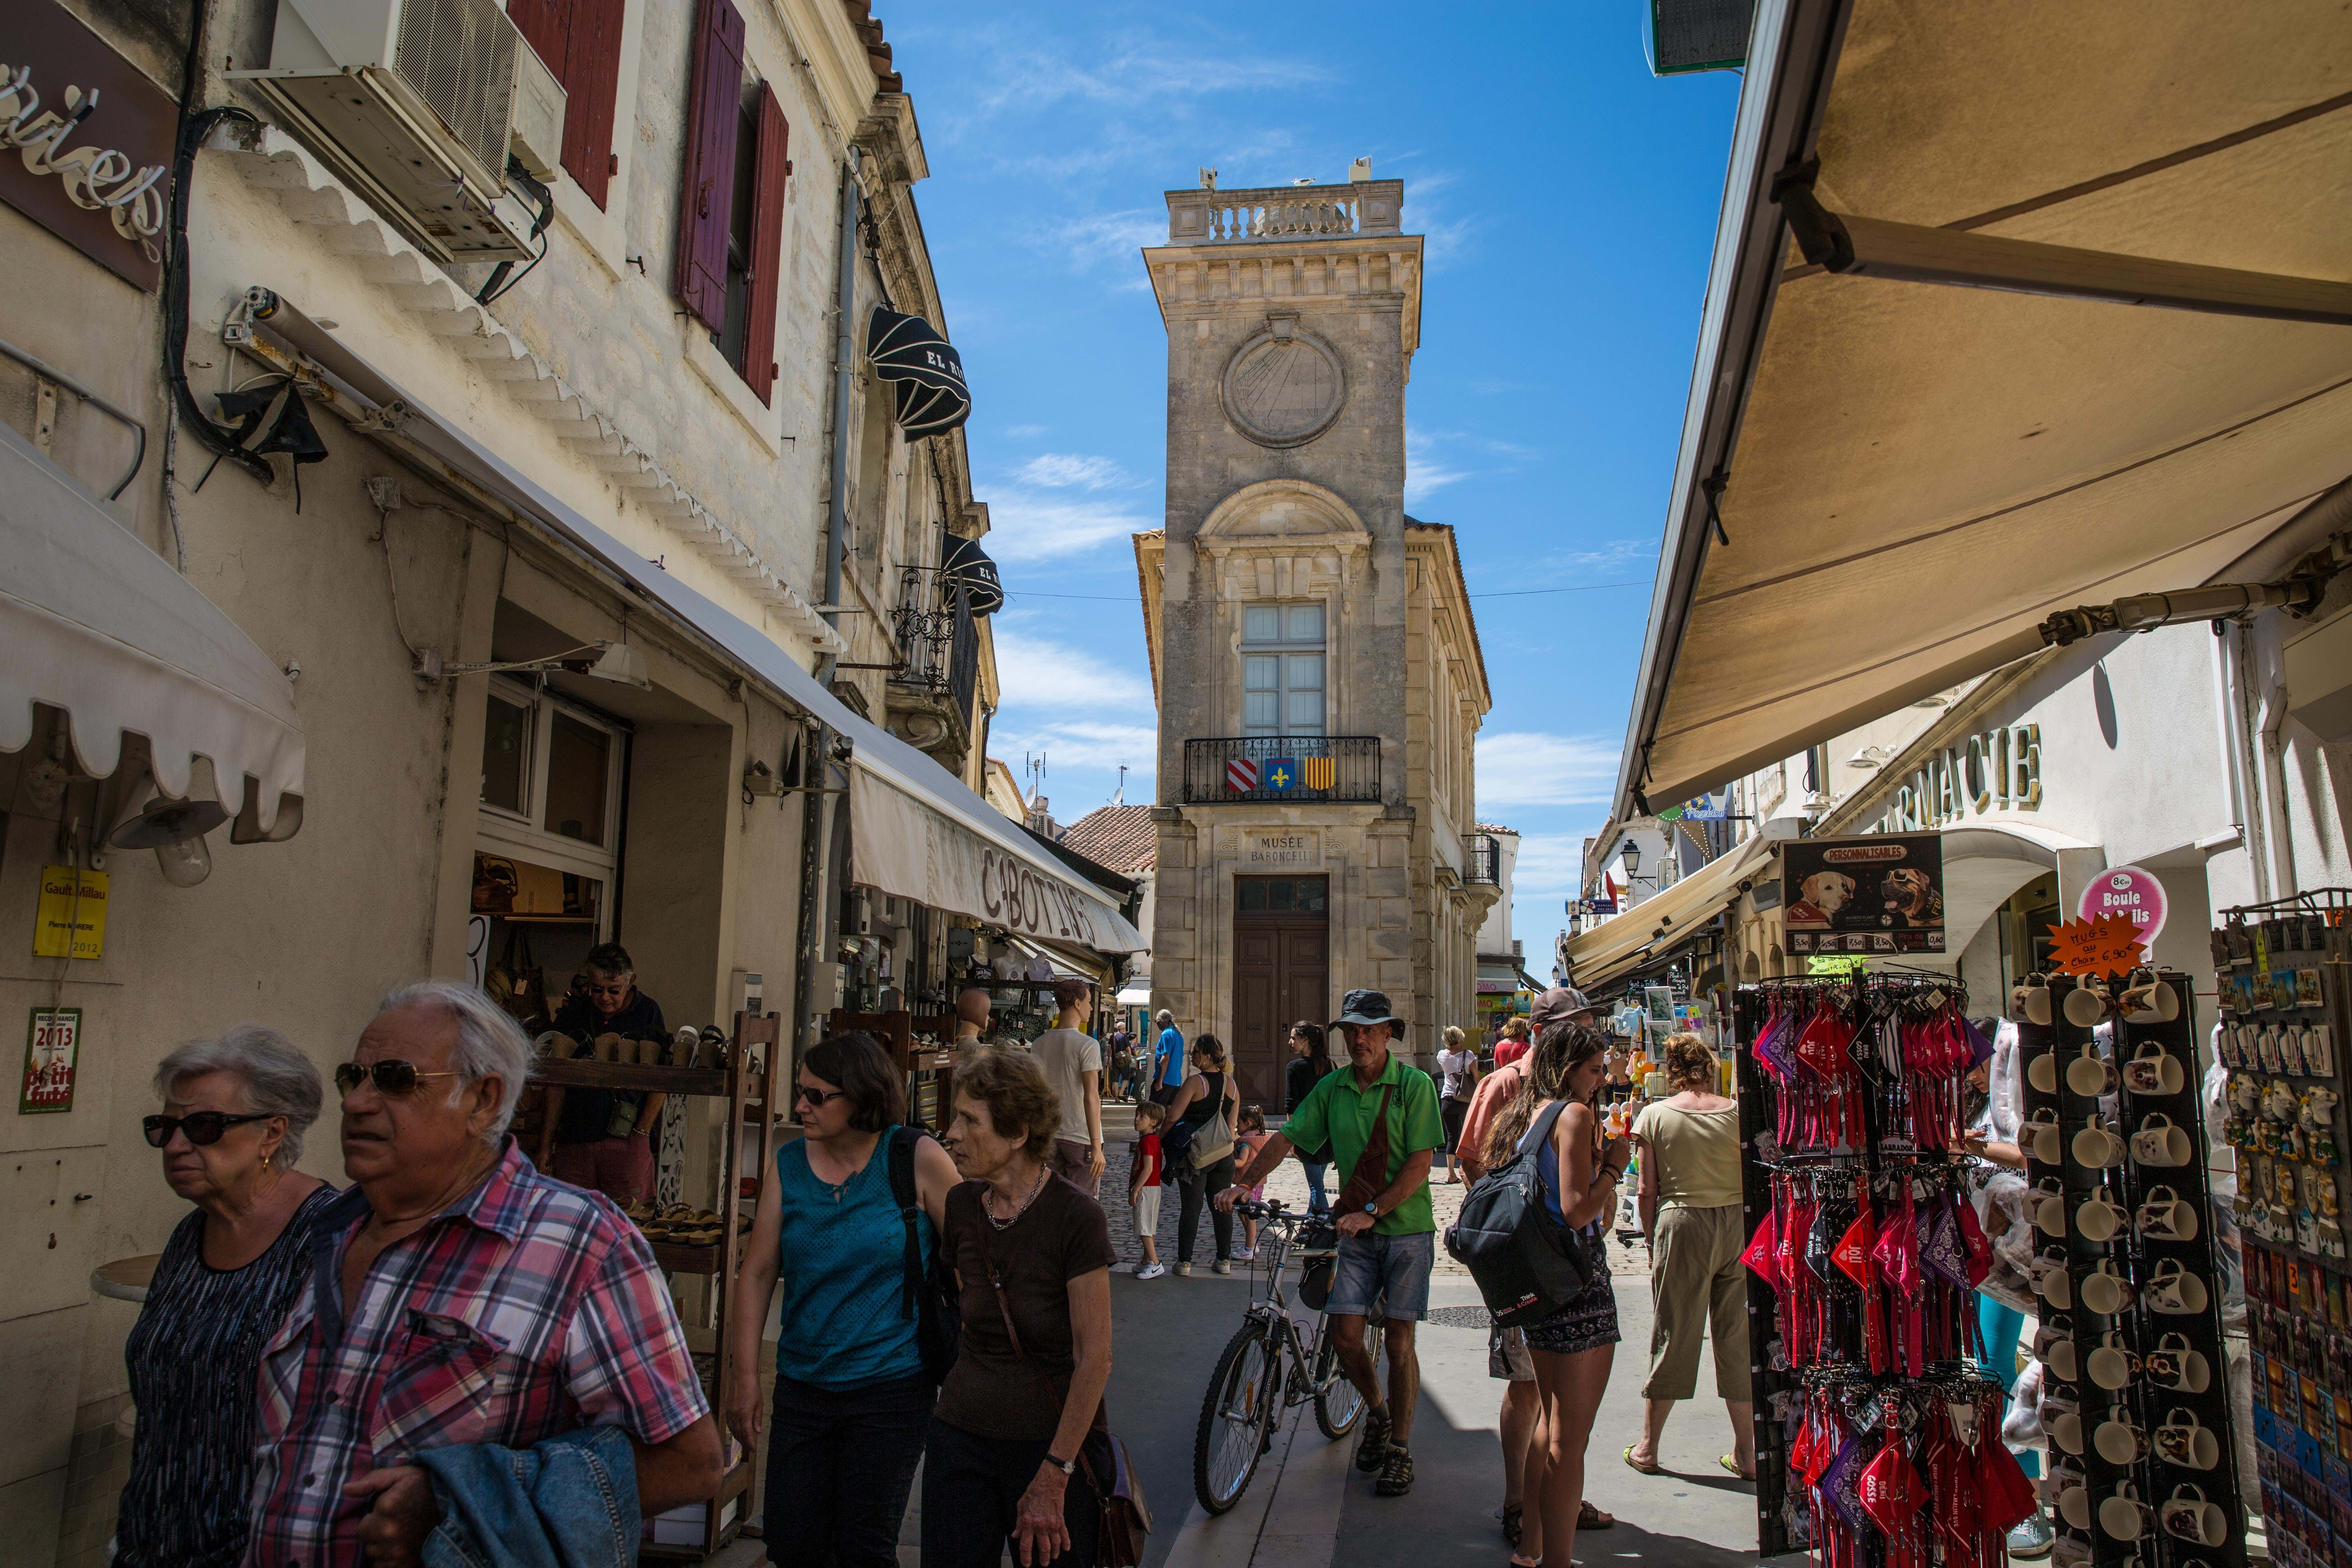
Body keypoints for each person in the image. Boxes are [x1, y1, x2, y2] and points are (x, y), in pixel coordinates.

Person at [245, 980, 721, 1566]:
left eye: (395, 1079)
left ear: (484, 1101)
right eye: (354, 1077)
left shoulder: (580, 1244)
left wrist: (462, 1502)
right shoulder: (323, 1231)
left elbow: (690, 1464)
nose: (357, 1102)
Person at [726, 1031, 960, 1568]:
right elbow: (758, 1272)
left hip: (892, 1385)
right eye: (800, 1092)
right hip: (804, 1383)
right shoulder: (788, 1166)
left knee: (865, 1545)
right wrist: (744, 1379)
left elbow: (971, 1261)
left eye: (816, 1096)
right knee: (790, 1540)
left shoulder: (914, 1157)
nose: (801, 1106)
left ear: (860, 1096)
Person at [117, 1027, 336, 1568]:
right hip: (151, 1542)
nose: (175, 1146)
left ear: (271, 1134)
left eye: (202, 1127)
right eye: (164, 1128)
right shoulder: (190, 1235)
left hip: (258, 1550)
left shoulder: (332, 1240)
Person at [1219, 989, 1443, 1497]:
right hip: (1356, 1232)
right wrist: (1245, 1183)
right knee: (1344, 1336)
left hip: (1405, 1230)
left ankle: (1401, 1450)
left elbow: (1419, 1164)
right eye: (1352, 1031)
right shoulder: (1334, 1087)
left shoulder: (1413, 1086)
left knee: (1401, 1344)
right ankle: (1380, 1415)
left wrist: (1374, 1212)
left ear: (1389, 1033)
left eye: (1370, 1029)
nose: (1360, 1039)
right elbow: (1286, 1138)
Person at [924, 1049, 1116, 1568]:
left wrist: (1056, 1472)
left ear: (1017, 1133)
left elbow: (1094, 1358)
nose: (952, 1134)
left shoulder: (1076, 1218)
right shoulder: (963, 1207)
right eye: (954, 1118)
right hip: (960, 1437)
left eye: (969, 1120)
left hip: (1050, 1445)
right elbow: (970, 1317)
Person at [1486, 1022, 1628, 1568]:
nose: (1601, 1080)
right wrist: (1614, 1165)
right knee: (1570, 1439)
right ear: (1570, 1069)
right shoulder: (1572, 1115)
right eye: (1595, 1070)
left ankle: (1531, 1547)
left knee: (1547, 1422)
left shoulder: (1523, 1116)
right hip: (1577, 1281)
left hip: (1538, 1284)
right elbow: (1576, 1211)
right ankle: (1557, 1561)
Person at [1621, 1032, 1751, 1480]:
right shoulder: (1738, 1113)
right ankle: (1748, 1454)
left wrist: (1652, 1237)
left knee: (1675, 1330)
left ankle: (1648, 1447)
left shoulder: (1655, 1115)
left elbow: (1645, 1189)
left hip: (1683, 1223)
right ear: (1710, 1068)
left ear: (1671, 1071)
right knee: (1737, 1336)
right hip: (1737, 1223)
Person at [1458, 1035, 1543, 1557]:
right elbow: (1472, 1159)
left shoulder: (1571, 1086)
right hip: (1524, 1260)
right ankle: (1519, 1503)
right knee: (1527, 1384)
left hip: (1570, 1264)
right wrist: (1505, 1229)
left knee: (1564, 1390)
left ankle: (1556, 1492)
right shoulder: (1504, 1084)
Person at [533, 942, 666, 1203]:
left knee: (629, 1224)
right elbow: (556, 1082)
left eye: (614, 990)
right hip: (575, 1138)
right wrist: (545, 1145)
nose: (604, 997)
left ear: (631, 982)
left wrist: (642, 1133)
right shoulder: (575, 1014)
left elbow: (661, 1079)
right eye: (597, 989)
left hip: (626, 1138)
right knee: (570, 1220)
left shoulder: (648, 1012)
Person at [1165, 1035, 1241, 1276]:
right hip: (1224, 1154)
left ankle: (1185, 1262)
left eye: (1196, 1052)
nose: (1192, 1055)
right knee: (1222, 1207)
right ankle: (1224, 1260)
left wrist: (1160, 1139)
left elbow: (1173, 1116)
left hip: (1197, 1155)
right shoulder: (1232, 1085)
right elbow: (1231, 1126)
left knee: (1191, 1207)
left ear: (1207, 1057)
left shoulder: (1195, 1082)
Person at [1031, 978, 1107, 1197]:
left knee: (1049, 1203)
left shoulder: (1040, 1043)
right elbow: (1091, 1097)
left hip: (1050, 1134)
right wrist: (1096, 1146)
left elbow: (1037, 1093)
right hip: (1081, 1136)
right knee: (1082, 1207)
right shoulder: (1087, 1045)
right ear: (1077, 1003)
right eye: (1089, 1002)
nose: (1092, 1008)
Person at [1285, 1022, 1336, 1213]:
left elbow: (1292, 1104)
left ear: (1305, 1040)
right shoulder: (1331, 1065)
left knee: (1316, 1187)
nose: (1290, 1042)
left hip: (1307, 1134)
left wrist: (1292, 1139)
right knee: (1318, 1184)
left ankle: (1324, 1226)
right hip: (1327, 1133)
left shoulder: (1295, 1068)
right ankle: (1310, 1226)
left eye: (1293, 1038)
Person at [1127, 1100, 1169, 1279]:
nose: (1137, 1120)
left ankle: (1156, 1263)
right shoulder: (1153, 1139)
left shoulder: (1147, 1142)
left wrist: (1136, 1189)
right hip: (1154, 1187)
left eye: (1142, 1117)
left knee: (1144, 1227)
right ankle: (1146, 1261)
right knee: (1149, 1226)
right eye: (1137, 1115)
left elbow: (1148, 1168)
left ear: (1153, 1122)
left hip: (1146, 1188)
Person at [1437, 1025, 1480, 1184]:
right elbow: (1476, 1077)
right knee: (1470, 1133)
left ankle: (1451, 1174)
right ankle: (1470, 1169)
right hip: (1464, 1099)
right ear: (1459, 1039)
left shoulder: (1442, 1055)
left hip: (1447, 1099)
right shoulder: (1468, 1055)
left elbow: (1444, 1070)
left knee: (1451, 1136)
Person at [1233, 1105, 1272, 1260]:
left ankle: (1249, 1248)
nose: (1237, 1127)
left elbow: (1242, 1162)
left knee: (1249, 1216)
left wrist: (1227, 1160)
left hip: (1247, 1183)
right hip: (1258, 1183)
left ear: (1248, 1123)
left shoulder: (1247, 1142)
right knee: (1244, 1213)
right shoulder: (1261, 1139)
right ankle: (1252, 1243)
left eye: (1239, 1124)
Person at [1151, 1008, 1187, 1106]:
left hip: (1165, 1080)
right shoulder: (1178, 1035)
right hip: (1176, 1081)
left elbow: (1165, 1059)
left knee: (1153, 1110)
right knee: (1169, 1109)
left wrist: (1160, 1081)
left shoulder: (1166, 1035)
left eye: (1157, 1021)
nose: (1156, 1022)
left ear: (1162, 1021)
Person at [954, 985, 993, 1050]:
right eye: (986, 1013)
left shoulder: (962, 1041)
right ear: (977, 1012)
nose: (988, 1018)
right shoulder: (975, 1049)